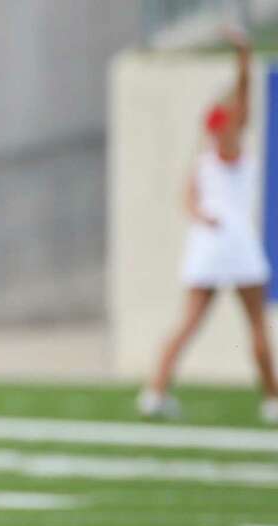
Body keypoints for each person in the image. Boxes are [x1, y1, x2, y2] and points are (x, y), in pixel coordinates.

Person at [139, 29, 278, 424]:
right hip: (235, 244)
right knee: (256, 326)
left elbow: (188, 202)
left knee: (186, 323)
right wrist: (244, 55)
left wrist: (201, 217)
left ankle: (155, 391)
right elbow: (246, 92)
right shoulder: (232, 149)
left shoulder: (203, 159)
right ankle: (272, 398)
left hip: (206, 243)